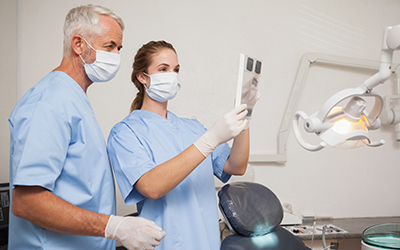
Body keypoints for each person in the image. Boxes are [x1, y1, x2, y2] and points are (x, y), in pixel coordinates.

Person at [8, 5, 165, 250]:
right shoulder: (49, 102)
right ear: (78, 44)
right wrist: (112, 227)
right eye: (109, 46)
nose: (116, 56)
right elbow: (27, 202)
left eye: (119, 48)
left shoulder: (74, 99)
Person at [107, 41, 260, 250]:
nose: (172, 75)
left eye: (176, 70)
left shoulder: (193, 128)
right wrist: (211, 140)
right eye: (163, 69)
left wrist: (245, 114)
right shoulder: (125, 132)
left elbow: (236, 166)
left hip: (206, 243)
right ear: (143, 77)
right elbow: (151, 187)